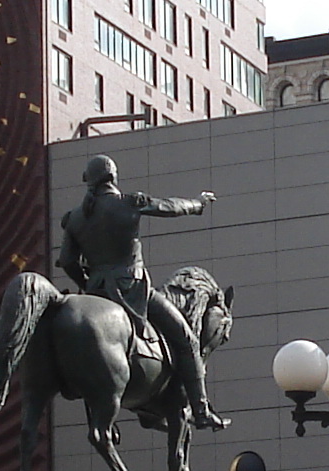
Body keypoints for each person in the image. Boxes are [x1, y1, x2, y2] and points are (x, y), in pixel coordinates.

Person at [55, 155, 227, 430]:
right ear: (113, 177)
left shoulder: (75, 218)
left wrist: (87, 283)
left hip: (97, 293)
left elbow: (66, 262)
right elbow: (169, 207)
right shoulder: (128, 203)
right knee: (187, 341)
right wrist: (199, 204)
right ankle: (201, 409)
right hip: (132, 289)